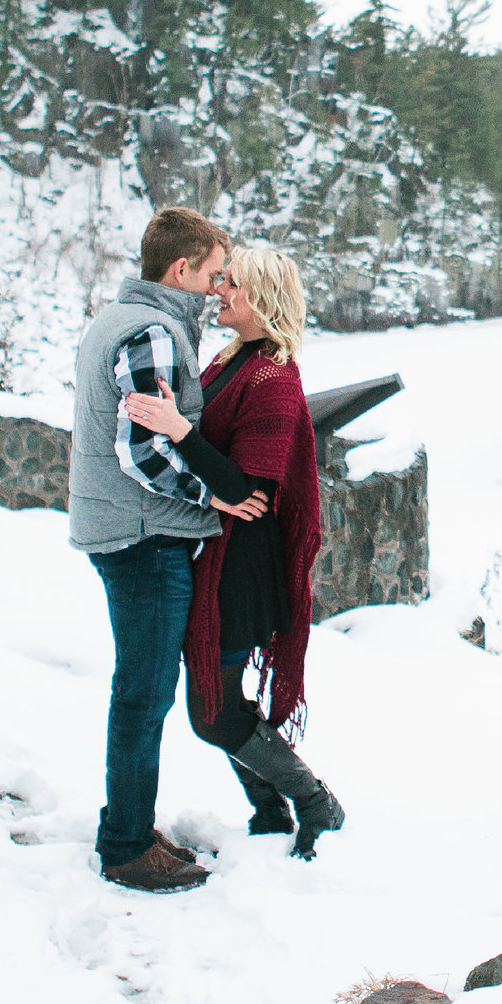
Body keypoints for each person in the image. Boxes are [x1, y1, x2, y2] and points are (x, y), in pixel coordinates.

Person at [68, 208, 270, 893]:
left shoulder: (122, 317)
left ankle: (128, 821)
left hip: (128, 531)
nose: (220, 289)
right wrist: (209, 495)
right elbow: (141, 450)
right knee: (144, 693)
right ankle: (126, 846)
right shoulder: (153, 332)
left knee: (140, 690)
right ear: (179, 269)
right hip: (144, 537)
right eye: (215, 274)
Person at [122, 245, 343, 859]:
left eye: (233, 284)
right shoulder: (234, 358)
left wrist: (177, 430)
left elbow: (251, 491)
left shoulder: (272, 375)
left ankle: (313, 798)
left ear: (263, 300)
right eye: (220, 280)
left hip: (243, 568)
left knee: (212, 712)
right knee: (221, 701)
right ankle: (270, 809)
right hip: (219, 556)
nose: (220, 291)